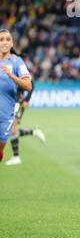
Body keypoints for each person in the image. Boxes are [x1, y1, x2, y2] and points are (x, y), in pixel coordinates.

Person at [0, 28, 32, 163]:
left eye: (8, 39)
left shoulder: (17, 62)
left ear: (12, 43)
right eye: (1, 39)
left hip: (6, 115)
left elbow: (28, 86)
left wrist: (11, 75)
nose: (4, 42)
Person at [5, 83, 46, 166]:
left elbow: (31, 83)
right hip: (8, 101)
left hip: (18, 102)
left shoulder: (18, 70)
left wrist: (27, 100)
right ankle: (33, 132)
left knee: (12, 129)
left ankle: (16, 157)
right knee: (8, 129)